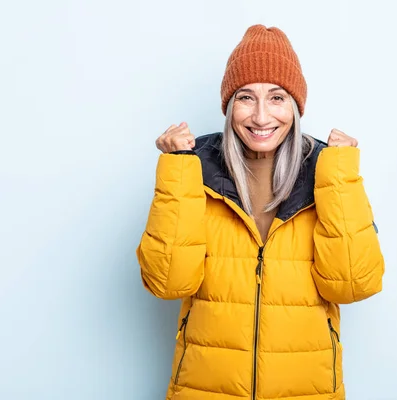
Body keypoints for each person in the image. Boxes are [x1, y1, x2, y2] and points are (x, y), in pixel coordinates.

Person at [136, 24, 384, 400]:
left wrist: (339, 175)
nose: (262, 116)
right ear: (229, 105)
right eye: (246, 97)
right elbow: (169, 282)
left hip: (307, 390)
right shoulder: (195, 171)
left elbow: (352, 284)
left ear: (296, 106)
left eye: (278, 98)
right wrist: (176, 169)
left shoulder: (326, 173)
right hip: (204, 389)